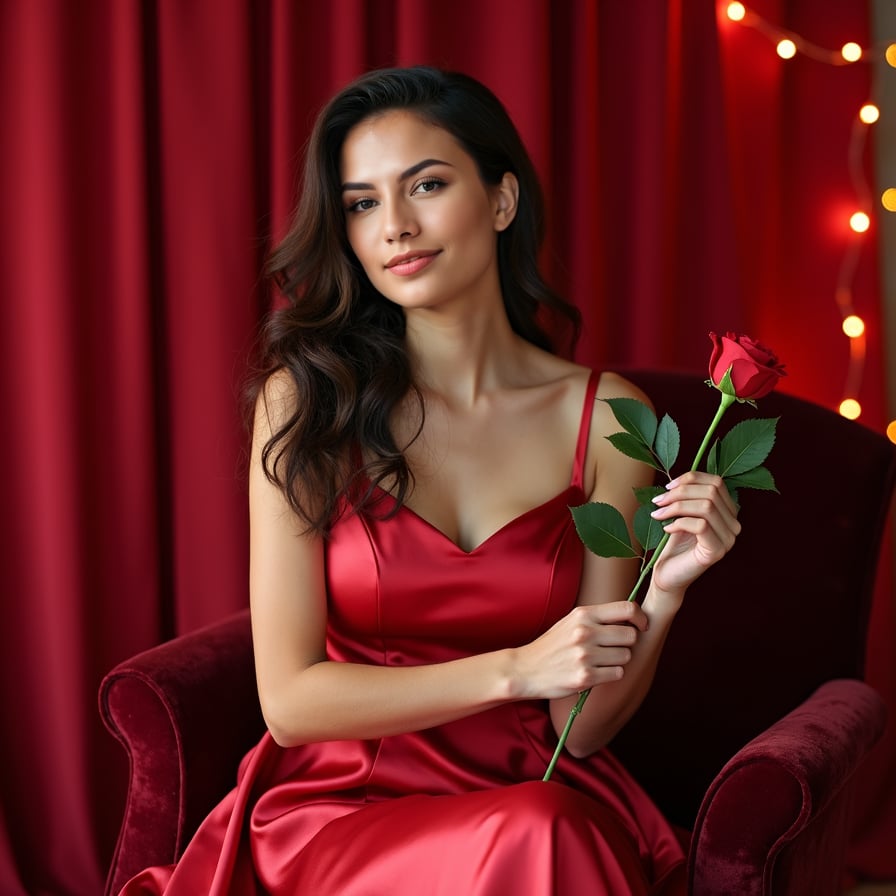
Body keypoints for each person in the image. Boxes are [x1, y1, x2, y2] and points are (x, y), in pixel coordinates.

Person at [119, 65, 741, 896]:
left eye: (428, 185)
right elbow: (291, 703)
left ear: (502, 201)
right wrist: (515, 670)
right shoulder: (307, 402)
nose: (396, 227)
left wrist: (664, 591)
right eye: (363, 203)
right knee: (545, 838)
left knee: (547, 829)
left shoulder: (603, 417)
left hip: (536, 793)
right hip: (341, 812)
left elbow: (580, 731)